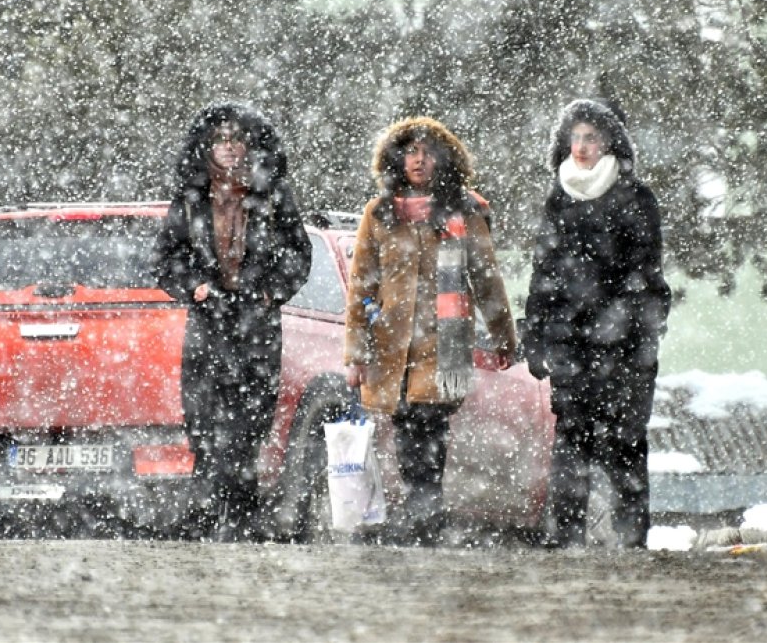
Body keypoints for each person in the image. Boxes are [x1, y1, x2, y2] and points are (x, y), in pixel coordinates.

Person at [344, 117, 516, 545]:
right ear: (396, 159)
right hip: (393, 347)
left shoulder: (464, 211)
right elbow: (362, 284)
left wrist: (504, 337)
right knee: (407, 429)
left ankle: (426, 510)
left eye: (428, 152)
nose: (419, 160)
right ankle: (423, 514)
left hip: (444, 344)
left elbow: (486, 278)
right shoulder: (379, 214)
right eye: (410, 151)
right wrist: (356, 353)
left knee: (430, 426)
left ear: (444, 159)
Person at [152, 102, 312, 542]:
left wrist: (266, 292)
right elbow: (165, 260)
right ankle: (205, 510)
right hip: (207, 323)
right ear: (207, 145)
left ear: (250, 145)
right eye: (220, 139)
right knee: (203, 423)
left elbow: (298, 255)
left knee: (249, 424)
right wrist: (197, 287)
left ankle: (243, 516)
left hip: (256, 324)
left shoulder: (273, 195)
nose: (228, 147)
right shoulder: (190, 198)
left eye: (236, 138)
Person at [523, 98, 671, 549]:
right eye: (575, 137)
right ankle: (566, 538)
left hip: (624, 346)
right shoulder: (557, 196)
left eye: (591, 137)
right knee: (571, 440)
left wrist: (633, 328)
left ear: (609, 141)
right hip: (570, 345)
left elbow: (648, 274)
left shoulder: (636, 197)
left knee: (626, 442)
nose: (582, 146)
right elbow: (543, 272)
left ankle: (631, 540)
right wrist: (536, 334)